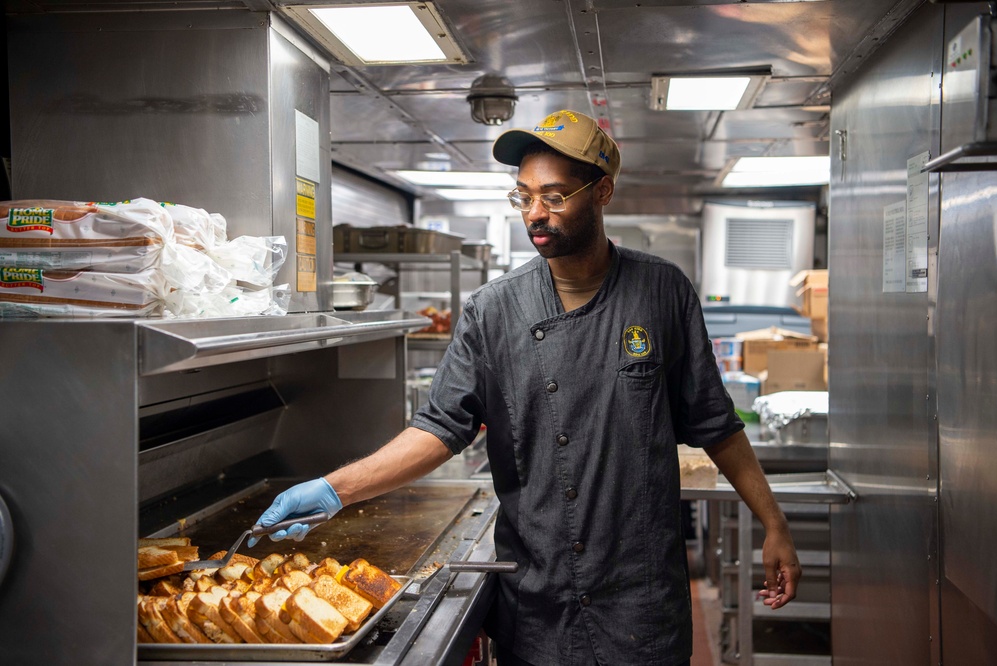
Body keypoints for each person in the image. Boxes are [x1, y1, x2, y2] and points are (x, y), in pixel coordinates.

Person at [249, 109, 801, 666]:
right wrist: (335, 488)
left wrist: (773, 522)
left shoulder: (662, 293)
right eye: (523, 196)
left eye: (555, 197)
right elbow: (441, 427)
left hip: (641, 597)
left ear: (602, 191)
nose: (535, 214)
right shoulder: (493, 310)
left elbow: (715, 424)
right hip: (538, 600)